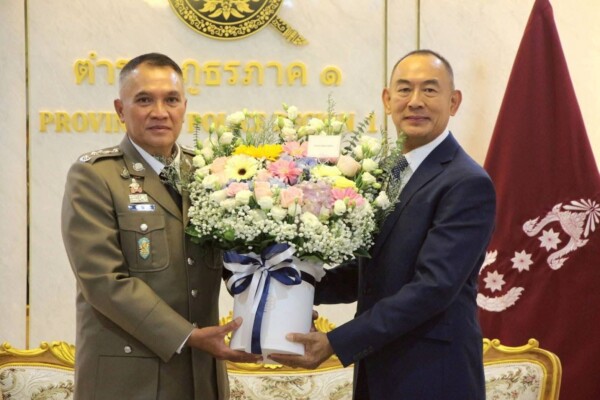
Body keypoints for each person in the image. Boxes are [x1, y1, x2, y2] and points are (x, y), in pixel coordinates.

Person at [270, 50, 496, 400]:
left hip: (433, 376)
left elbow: (433, 287)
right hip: (377, 369)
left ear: (454, 102)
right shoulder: (389, 173)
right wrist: (287, 285)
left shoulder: (466, 182)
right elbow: (371, 270)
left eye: (429, 90)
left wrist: (335, 342)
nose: (415, 101)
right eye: (404, 89)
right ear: (387, 100)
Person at [61, 52, 259, 400]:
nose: (159, 112)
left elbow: (239, 262)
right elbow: (103, 281)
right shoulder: (95, 176)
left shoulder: (210, 175)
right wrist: (188, 335)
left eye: (171, 100)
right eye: (143, 100)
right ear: (120, 110)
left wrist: (280, 307)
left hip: (201, 376)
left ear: (184, 107)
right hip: (128, 379)